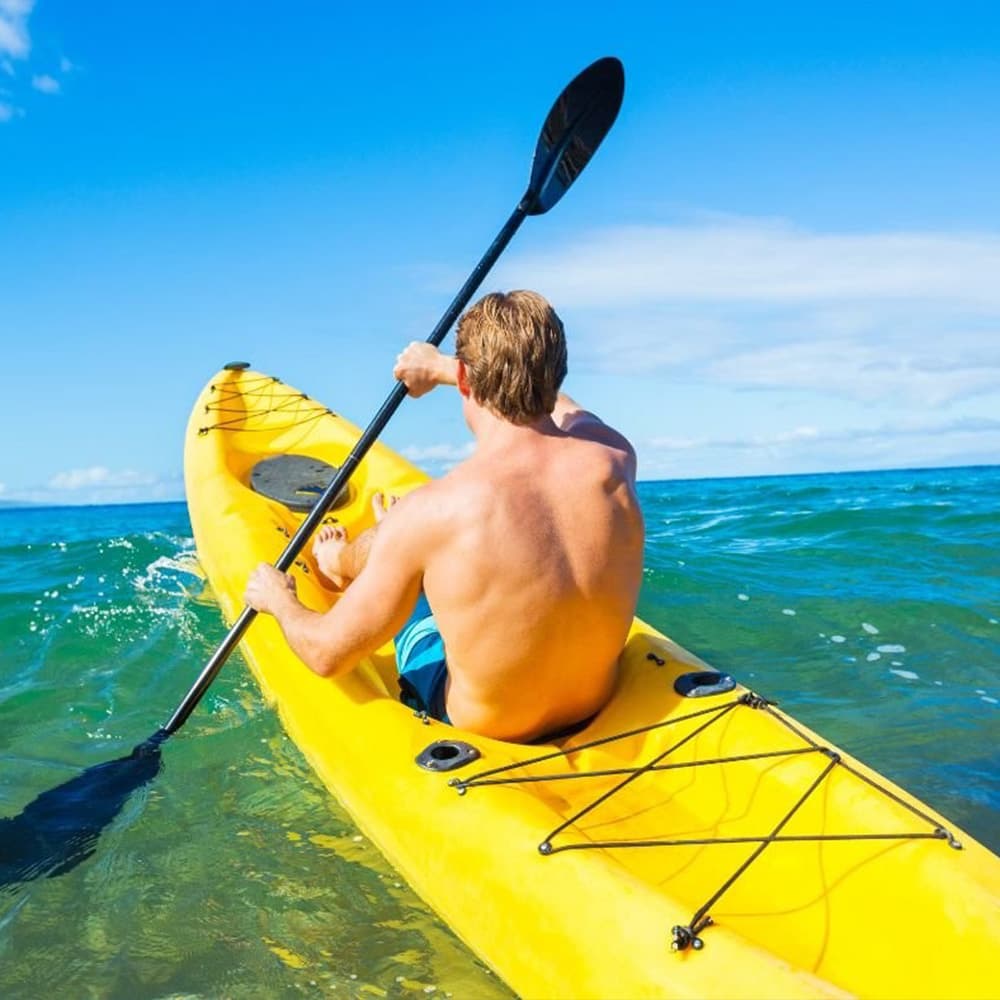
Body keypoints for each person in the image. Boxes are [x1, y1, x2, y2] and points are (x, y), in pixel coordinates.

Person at [245, 290, 644, 743]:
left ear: (464, 380)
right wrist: (442, 367)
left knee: (415, 561)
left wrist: (279, 600)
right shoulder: (612, 454)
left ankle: (346, 561)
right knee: (422, 543)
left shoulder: (438, 508)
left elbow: (325, 655)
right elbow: (564, 407)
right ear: (557, 372)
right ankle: (374, 550)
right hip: (592, 704)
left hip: (485, 726)